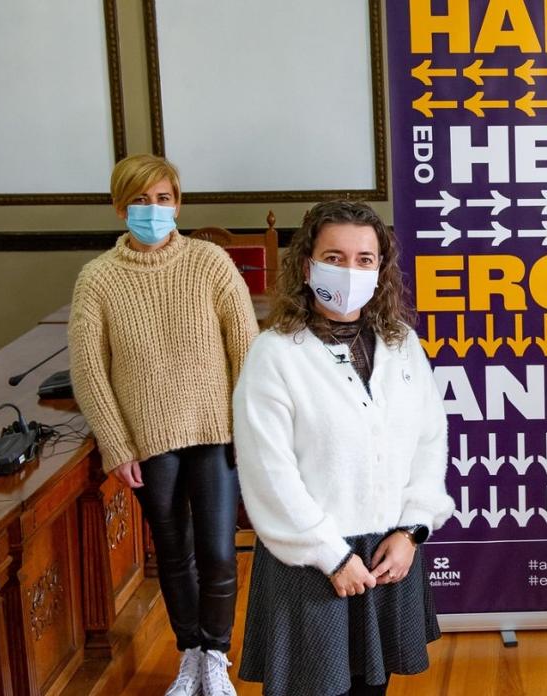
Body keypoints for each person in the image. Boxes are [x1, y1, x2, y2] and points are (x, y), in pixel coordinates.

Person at [233, 200, 454, 696]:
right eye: (334, 258)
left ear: (380, 269)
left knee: (373, 689)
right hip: (311, 561)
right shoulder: (274, 355)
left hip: (388, 553)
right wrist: (331, 556)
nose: (350, 271)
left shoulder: (401, 344)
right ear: (306, 265)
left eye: (364, 259)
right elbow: (268, 473)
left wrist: (412, 530)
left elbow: (429, 438)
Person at [69, 154, 258, 696]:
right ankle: (190, 654)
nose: (151, 209)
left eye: (162, 198)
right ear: (119, 207)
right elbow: (89, 369)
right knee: (174, 556)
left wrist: (249, 430)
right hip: (149, 441)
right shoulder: (97, 279)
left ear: (177, 203)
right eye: (139, 200)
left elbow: (246, 351)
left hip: (215, 432)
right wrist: (116, 442)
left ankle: (216, 655)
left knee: (218, 552)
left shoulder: (210, 262)